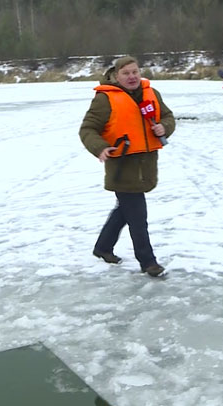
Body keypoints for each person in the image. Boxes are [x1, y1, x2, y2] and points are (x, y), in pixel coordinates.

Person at [79, 56, 175, 277]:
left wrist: (164, 127)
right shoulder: (105, 99)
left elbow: (168, 117)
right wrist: (100, 147)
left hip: (147, 166)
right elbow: (87, 129)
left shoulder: (151, 93)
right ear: (116, 75)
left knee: (125, 211)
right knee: (137, 216)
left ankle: (103, 247)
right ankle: (148, 262)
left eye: (135, 72)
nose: (131, 77)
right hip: (121, 167)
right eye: (126, 73)